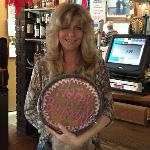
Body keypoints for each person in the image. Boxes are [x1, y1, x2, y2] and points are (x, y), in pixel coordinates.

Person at [24, 3, 114, 150]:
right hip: (50, 144)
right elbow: (29, 109)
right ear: (56, 31)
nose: (71, 34)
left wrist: (79, 139)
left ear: (85, 32)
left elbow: (109, 109)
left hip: (88, 144)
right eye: (65, 27)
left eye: (78, 28)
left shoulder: (97, 65)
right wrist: (54, 132)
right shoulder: (42, 66)